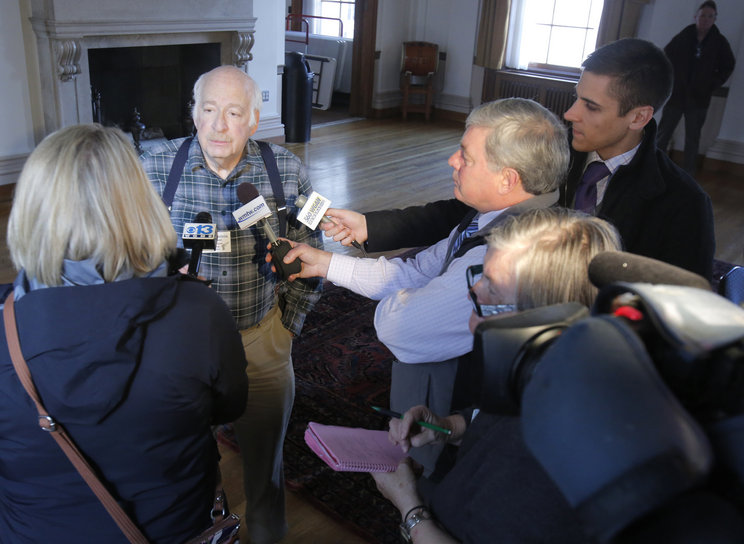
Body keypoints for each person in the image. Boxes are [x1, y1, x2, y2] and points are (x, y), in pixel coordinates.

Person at [0, 124, 249, 543]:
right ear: (139, 203)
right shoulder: (198, 314)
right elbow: (229, 406)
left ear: (31, 207)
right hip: (174, 529)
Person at [272, 97, 570, 472]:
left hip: (458, 420)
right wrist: (327, 265)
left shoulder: (505, 254)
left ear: (507, 178)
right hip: (445, 405)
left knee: (434, 489)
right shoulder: (489, 220)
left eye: (466, 155)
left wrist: (412, 299)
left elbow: (400, 327)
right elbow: (415, 271)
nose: (452, 161)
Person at [323, 39, 716, 281]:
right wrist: (370, 224)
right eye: (577, 96)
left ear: (639, 116)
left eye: (590, 106)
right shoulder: (554, 149)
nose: (570, 114)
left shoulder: (681, 204)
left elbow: (676, 313)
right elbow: (465, 211)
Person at [140, 65, 323, 543]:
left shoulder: (285, 170)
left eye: (234, 112)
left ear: (254, 121)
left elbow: (312, 249)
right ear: (194, 114)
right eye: (208, 110)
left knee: (266, 468)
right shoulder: (152, 169)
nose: (219, 125)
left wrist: (289, 326)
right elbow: (122, 255)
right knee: (186, 470)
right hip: (180, 353)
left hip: (262, 340)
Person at [370, 207, 623, 544]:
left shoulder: (542, 454)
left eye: (493, 286)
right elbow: (500, 417)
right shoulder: (556, 368)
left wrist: (409, 507)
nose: (474, 291)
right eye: (480, 273)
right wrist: (448, 427)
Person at [657, 1, 735, 176]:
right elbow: (665, 56)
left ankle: (688, 175)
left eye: (710, 16)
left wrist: (711, 84)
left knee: (692, 139)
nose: (705, 20)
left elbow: (728, 66)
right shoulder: (684, 36)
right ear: (696, 17)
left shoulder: (719, 42)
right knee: (663, 134)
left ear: (715, 19)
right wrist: (670, 81)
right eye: (702, 16)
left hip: (699, 99)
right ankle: (654, 167)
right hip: (676, 95)